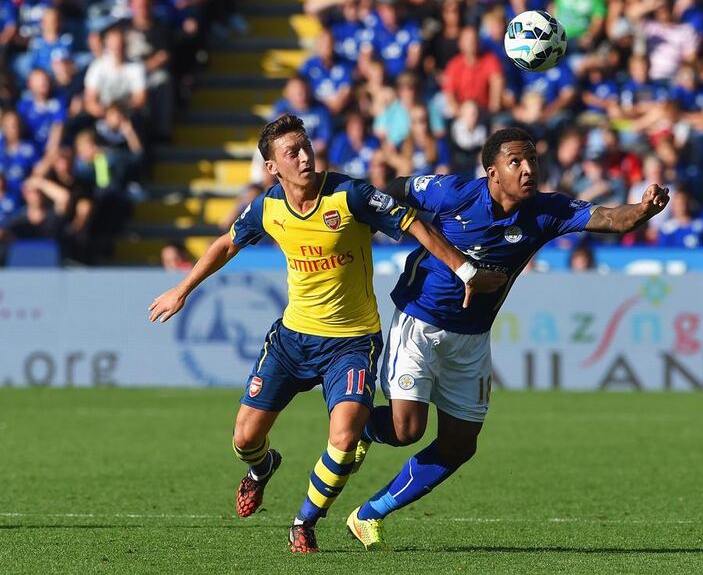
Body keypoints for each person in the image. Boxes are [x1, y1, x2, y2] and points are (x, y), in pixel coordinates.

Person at [147, 114, 505, 553]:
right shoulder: (268, 207)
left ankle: (305, 521)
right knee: (244, 438)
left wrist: (464, 269)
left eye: (305, 146)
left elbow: (413, 224)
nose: (303, 157)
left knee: (345, 435)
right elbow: (226, 244)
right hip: (292, 340)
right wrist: (181, 289)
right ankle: (262, 469)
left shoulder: (349, 194)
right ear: (272, 168)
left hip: (352, 344)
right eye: (291, 152)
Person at [345, 127, 670, 549]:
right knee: (407, 430)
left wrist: (644, 209)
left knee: (460, 446)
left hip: (473, 337)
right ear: (492, 171)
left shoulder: (546, 211)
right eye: (516, 161)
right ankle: (360, 430)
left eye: (532, 159)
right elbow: (396, 189)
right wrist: (380, 224)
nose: (527, 168)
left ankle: (368, 513)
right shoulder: (453, 193)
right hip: (419, 322)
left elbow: (609, 217)